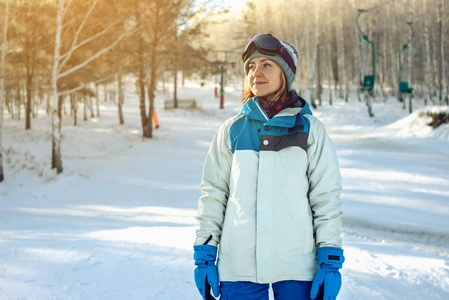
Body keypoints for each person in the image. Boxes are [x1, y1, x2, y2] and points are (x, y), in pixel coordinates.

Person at [193, 33, 344, 300]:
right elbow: (214, 194)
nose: (256, 72)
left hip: (297, 266)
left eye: (266, 64)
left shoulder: (310, 130)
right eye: (251, 66)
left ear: (284, 74)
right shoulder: (232, 131)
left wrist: (330, 258)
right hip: (238, 266)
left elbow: (326, 199)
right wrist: (205, 254)